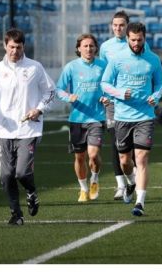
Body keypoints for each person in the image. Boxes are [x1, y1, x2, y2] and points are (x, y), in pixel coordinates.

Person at [0, 28, 55, 225]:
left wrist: (39, 109)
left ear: (24, 47)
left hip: (29, 129)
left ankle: (31, 192)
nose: (14, 51)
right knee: (6, 175)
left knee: (21, 172)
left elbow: (50, 92)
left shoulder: (34, 68)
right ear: (5, 46)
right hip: (4, 130)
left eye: (18, 47)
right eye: (11, 47)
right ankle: (16, 214)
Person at [101, 22, 162, 216]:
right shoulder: (117, 59)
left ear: (145, 38)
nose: (136, 43)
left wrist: (156, 96)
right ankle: (131, 182)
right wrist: (119, 93)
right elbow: (104, 83)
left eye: (140, 40)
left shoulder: (153, 59)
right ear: (127, 38)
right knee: (124, 161)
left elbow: (160, 83)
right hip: (122, 117)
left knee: (142, 158)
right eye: (133, 40)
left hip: (145, 116)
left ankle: (140, 202)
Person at [56, 33, 109, 203]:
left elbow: (112, 85)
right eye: (85, 46)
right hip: (77, 119)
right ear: (79, 48)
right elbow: (59, 89)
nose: (88, 49)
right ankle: (83, 188)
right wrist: (68, 97)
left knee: (93, 155)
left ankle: (94, 179)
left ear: (96, 48)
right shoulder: (71, 67)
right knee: (79, 157)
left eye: (91, 46)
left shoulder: (103, 66)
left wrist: (107, 97)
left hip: (97, 118)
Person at [98, 10, 138, 200]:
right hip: (113, 102)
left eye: (121, 25)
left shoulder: (136, 43)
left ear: (127, 27)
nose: (118, 28)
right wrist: (105, 95)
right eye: (115, 25)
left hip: (135, 102)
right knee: (116, 143)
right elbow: (104, 75)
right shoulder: (105, 47)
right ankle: (121, 185)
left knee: (136, 144)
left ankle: (137, 179)